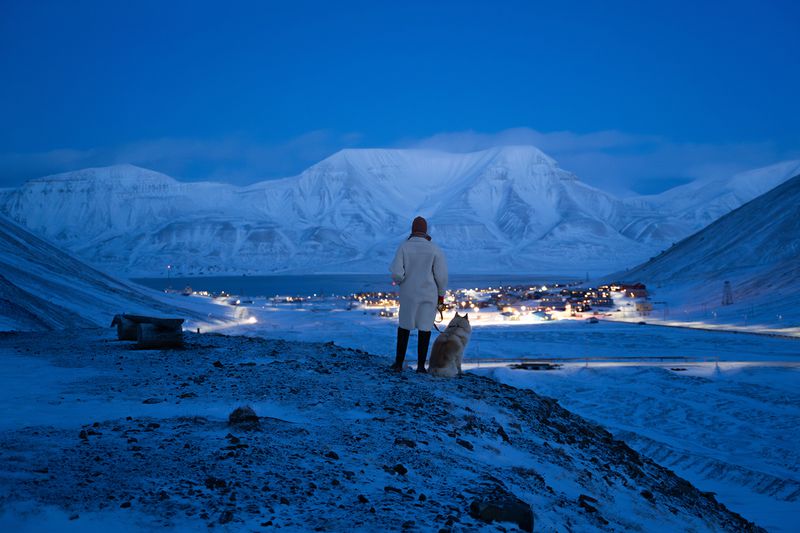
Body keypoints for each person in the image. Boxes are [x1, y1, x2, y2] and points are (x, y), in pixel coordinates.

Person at [389, 216, 448, 373]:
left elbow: (396, 273)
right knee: (425, 329)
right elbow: (441, 277)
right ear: (425, 230)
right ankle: (421, 366)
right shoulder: (434, 249)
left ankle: (398, 363)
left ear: (412, 230)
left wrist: (401, 281)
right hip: (429, 295)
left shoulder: (404, 247)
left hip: (408, 294)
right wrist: (441, 296)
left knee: (404, 327)